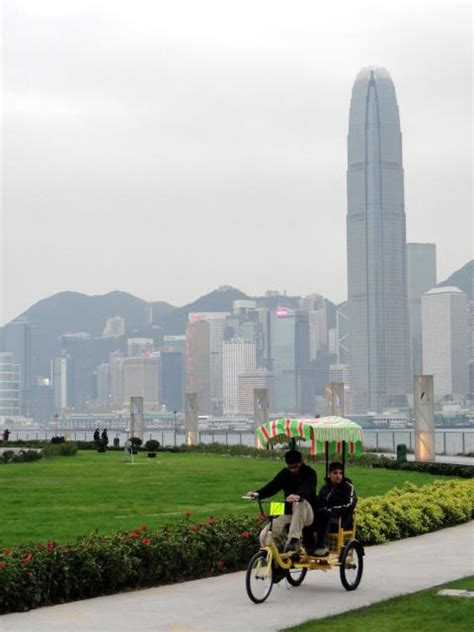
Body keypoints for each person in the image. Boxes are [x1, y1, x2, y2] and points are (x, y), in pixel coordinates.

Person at [247, 449, 318, 554]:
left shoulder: (310, 473)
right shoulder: (284, 473)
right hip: (289, 512)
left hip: (307, 513)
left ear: (301, 463)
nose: (293, 470)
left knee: (299, 502)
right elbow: (272, 486)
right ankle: (274, 562)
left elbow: (307, 488)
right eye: (290, 467)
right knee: (264, 536)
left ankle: (294, 539)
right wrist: (257, 494)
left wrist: (298, 496)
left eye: (296, 467)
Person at [312, 461, 357, 556]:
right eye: (335, 473)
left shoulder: (348, 487)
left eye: (340, 473)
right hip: (325, 516)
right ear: (329, 474)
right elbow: (318, 503)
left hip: (342, 520)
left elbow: (350, 504)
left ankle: (322, 546)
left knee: (324, 516)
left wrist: (332, 510)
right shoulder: (325, 488)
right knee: (310, 516)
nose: (338, 476)